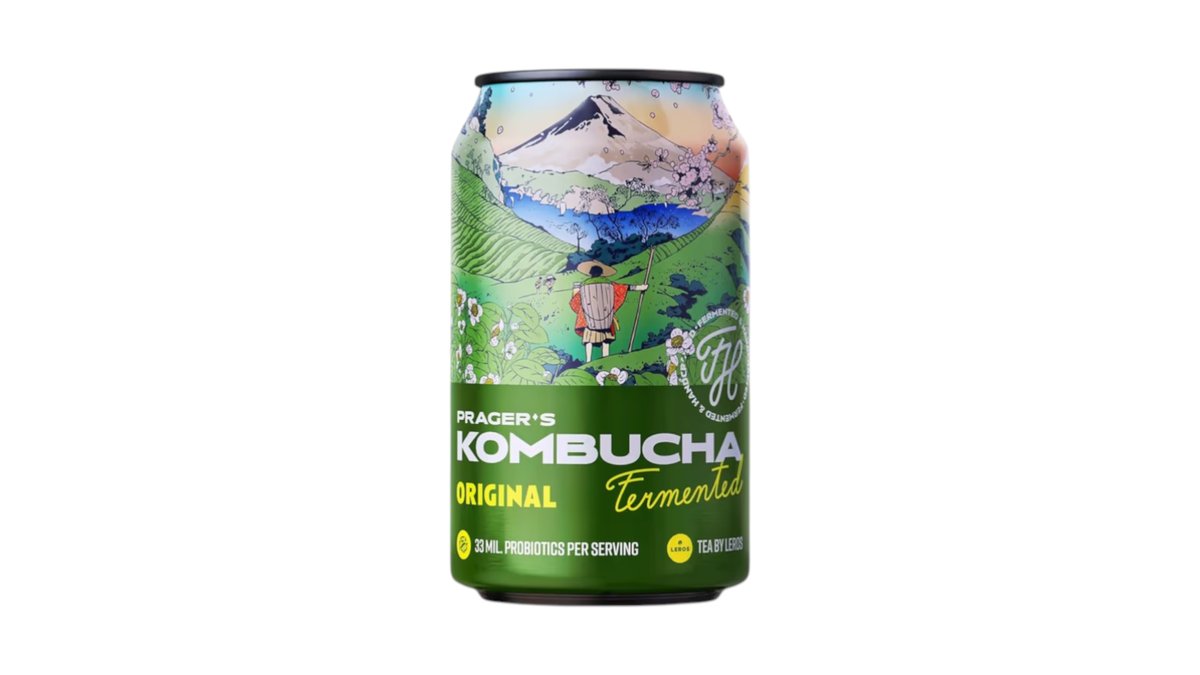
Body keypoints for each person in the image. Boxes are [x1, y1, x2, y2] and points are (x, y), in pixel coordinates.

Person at [569, 260, 648, 362]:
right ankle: (605, 358)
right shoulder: (610, 284)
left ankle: (588, 360)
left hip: (590, 321)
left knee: (589, 340)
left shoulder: (583, 286)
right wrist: (640, 287)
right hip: (606, 319)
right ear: (601, 273)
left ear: (590, 274)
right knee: (606, 340)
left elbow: (575, 302)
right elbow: (625, 288)